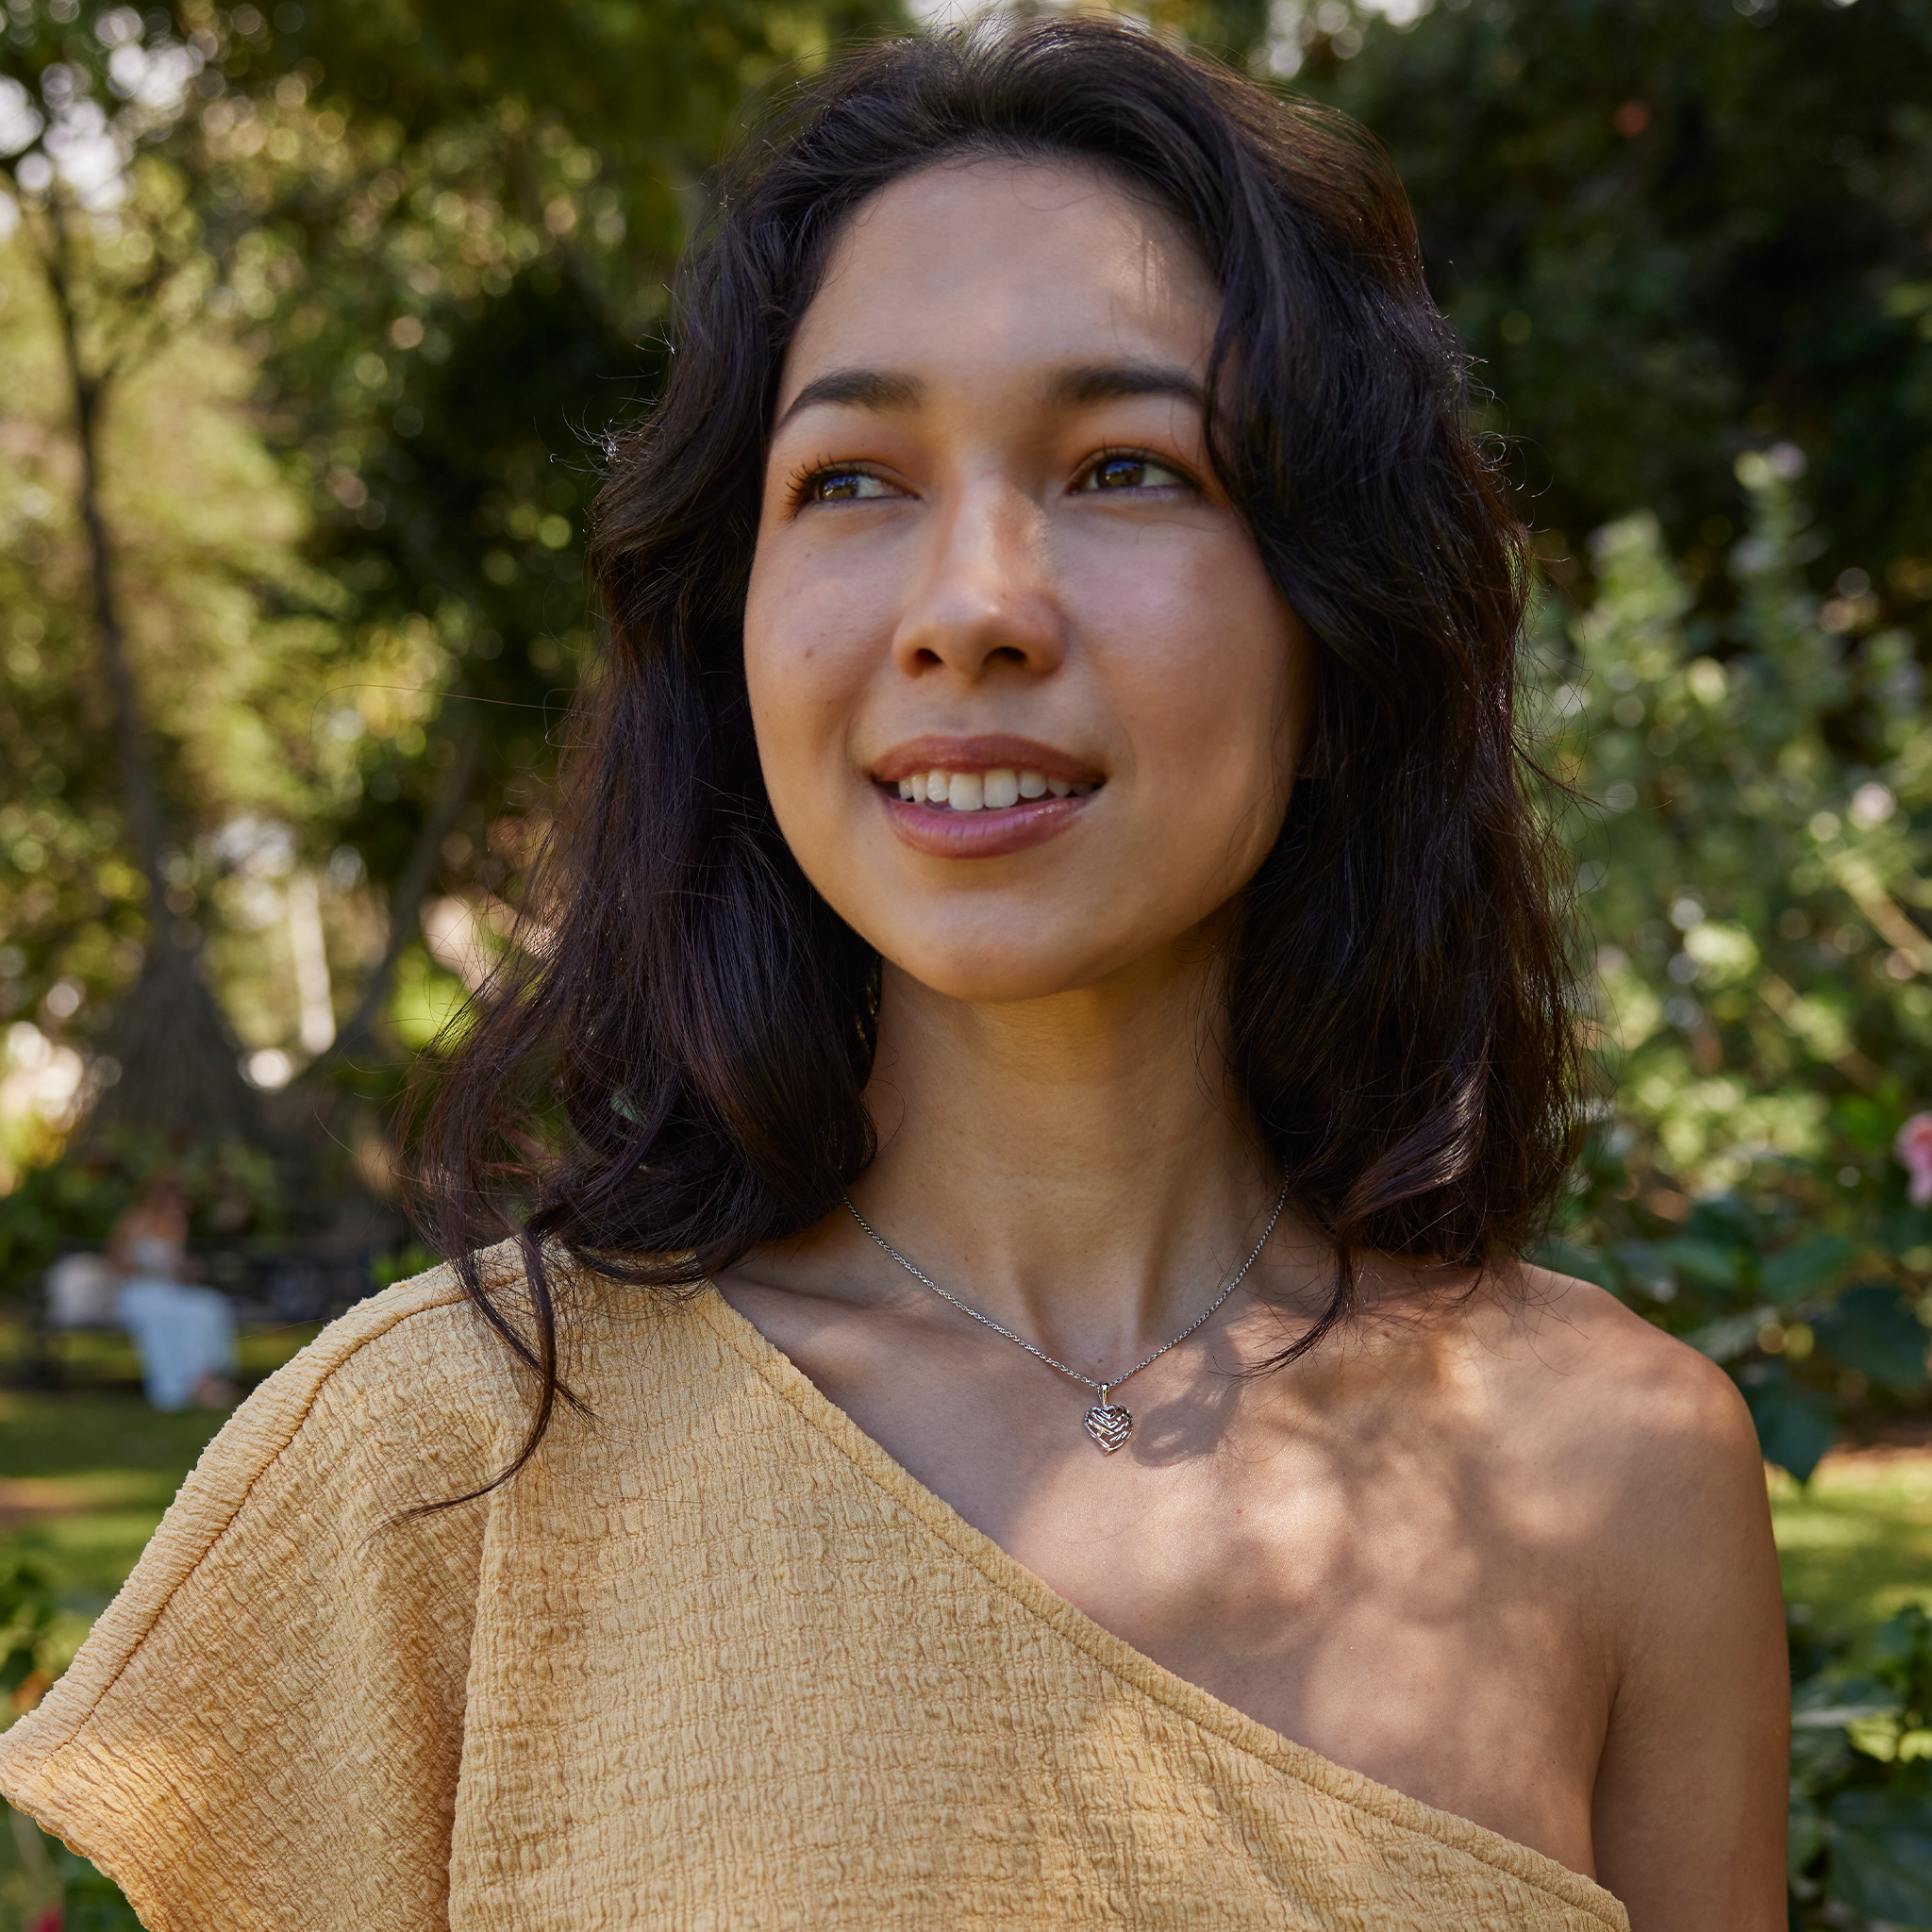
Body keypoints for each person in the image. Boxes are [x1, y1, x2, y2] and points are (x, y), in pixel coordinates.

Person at [0, 21, 1785, 1929]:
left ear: (1336, 625)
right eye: (853, 480)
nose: (972, 609)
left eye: (1124, 467)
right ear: (735, 630)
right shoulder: (444, 1460)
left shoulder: (1618, 1475)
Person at [108, 1175, 238, 1412]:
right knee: (175, 1316)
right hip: (139, 1291)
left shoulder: (178, 1225)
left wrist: (188, 1269)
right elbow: (117, 1263)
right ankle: (178, 1384)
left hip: (169, 1290)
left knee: (210, 1307)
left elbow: (175, 1269)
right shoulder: (136, 1221)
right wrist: (149, 1268)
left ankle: (205, 1378)